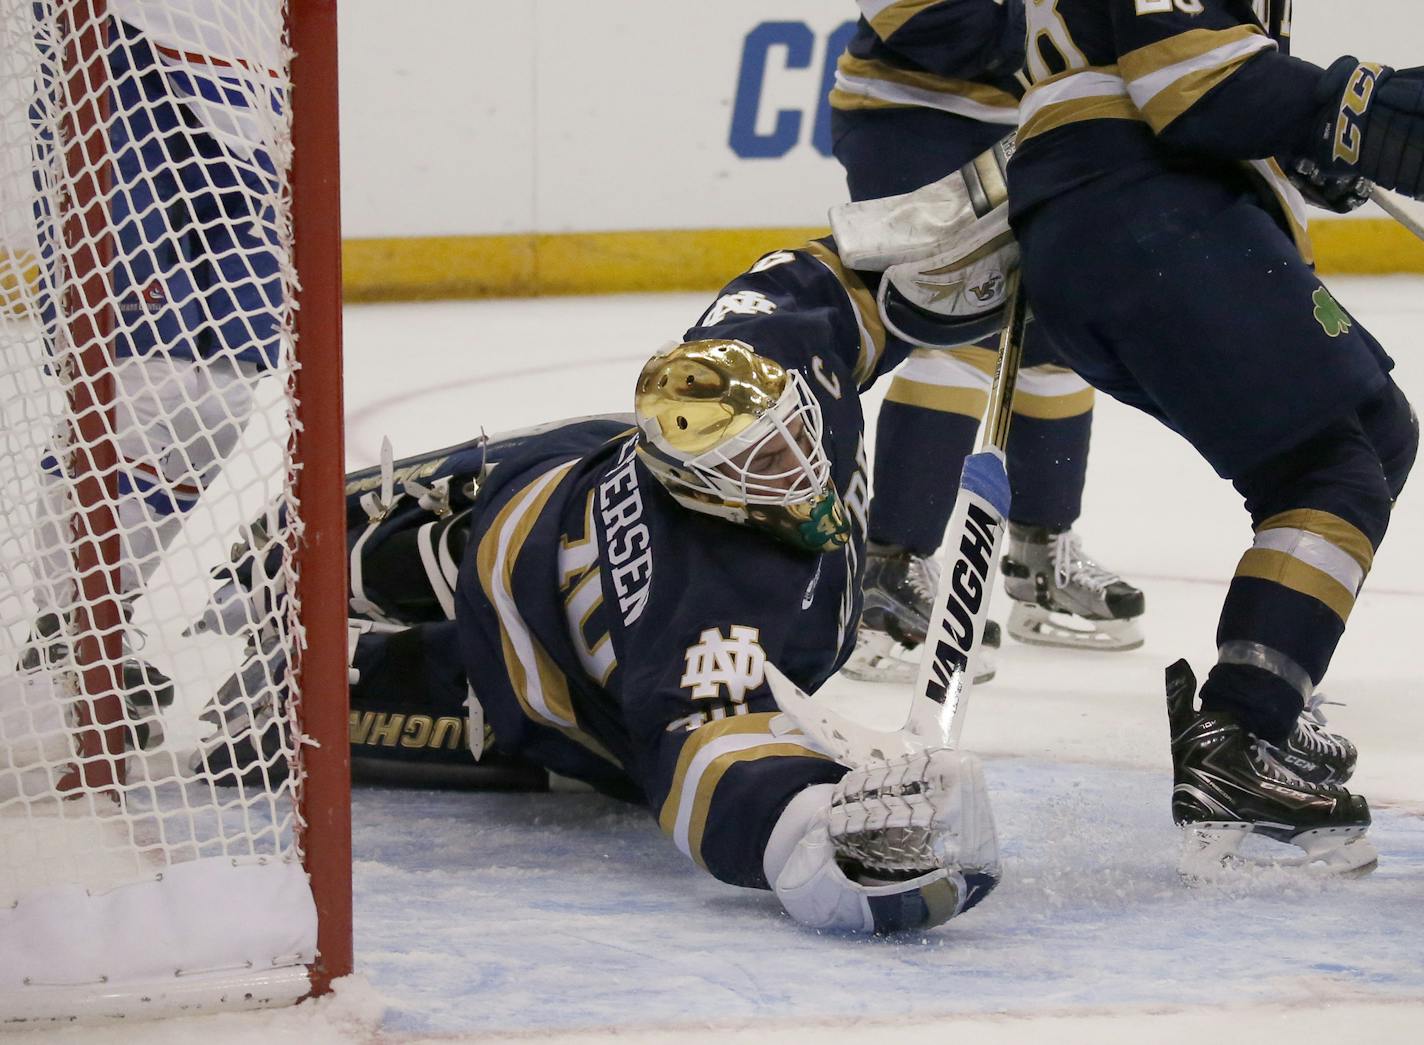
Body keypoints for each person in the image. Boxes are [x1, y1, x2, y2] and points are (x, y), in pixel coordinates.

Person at [193, 235, 1003, 934]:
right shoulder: (709, 615)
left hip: (540, 491)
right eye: (763, 466)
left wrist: (979, 224)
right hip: (530, 666)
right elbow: (704, 766)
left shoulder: (767, 367)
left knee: (342, 556)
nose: (798, 472)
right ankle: (289, 660)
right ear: (705, 492)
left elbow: (813, 282)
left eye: (793, 438)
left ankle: (305, 604)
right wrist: (806, 832)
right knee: (307, 665)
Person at [1005, 0, 1419, 875]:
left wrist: (1309, 132)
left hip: (1135, 213)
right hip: (1145, 208)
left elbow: (1211, 83)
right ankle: (1242, 736)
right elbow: (1187, 83)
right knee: (1330, 473)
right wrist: (1354, 112)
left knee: (1376, 431)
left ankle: (1270, 693)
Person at [828, 0, 1146, 684]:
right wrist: (1070, 39)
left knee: (1061, 326)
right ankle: (889, 571)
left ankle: (1041, 554)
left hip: (1042, 119)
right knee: (960, 328)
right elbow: (918, 16)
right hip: (913, 118)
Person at [18, 2, 284, 749]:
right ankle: (72, 629)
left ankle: (99, 618)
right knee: (134, 372)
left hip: (252, 73)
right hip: (126, 53)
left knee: (223, 396)